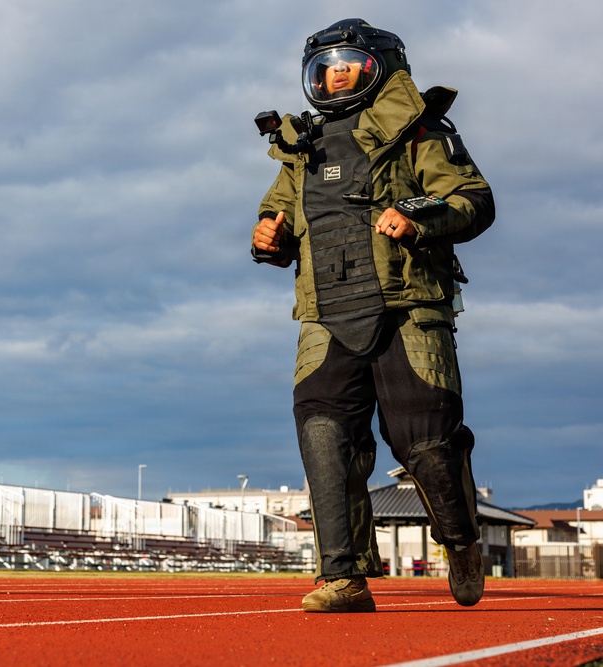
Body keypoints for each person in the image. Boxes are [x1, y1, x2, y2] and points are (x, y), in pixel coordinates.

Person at [251, 18, 495, 612]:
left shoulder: (420, 130)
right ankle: (345, 577)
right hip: (325, 314)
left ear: (377, 67)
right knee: (323, 435)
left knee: (425, 443)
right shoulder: (299, 148)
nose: (335, 77)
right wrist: (268, 238)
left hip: (409, 307)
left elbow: (473, 198)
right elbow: (278, 217)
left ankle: (461, 542)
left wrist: (418, 217)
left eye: (348, 65)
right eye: (325, 68)